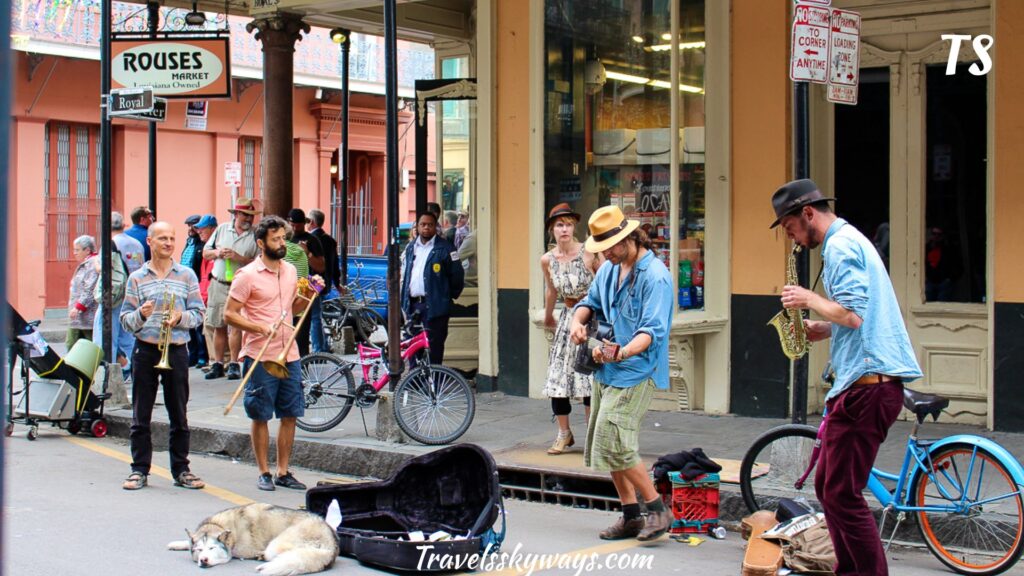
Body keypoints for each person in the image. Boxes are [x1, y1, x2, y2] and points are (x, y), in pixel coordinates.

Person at [770, 178, 922, 576]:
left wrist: (808, 299)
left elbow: (853, 314)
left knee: (841, 493)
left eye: (790, 228)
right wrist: (824, 328)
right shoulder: (848, 240)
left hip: (866, 388)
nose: (792, 238)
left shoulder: (839, 247)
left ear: (807, 213)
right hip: (864, 384)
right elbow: (856, 319)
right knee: (830, 488)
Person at [569, 205, 673, 542]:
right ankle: (631, 516)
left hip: (636, 370)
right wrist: (576, 322)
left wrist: (622, 352)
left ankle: (657, 510)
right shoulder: (609, 270)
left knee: (616, 441)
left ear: (628, 238)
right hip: (606, 368)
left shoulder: (655, 276)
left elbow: (652, 332)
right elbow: (589, 302)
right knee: (606, 443)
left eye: (609, 247)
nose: (606, 255)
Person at [224, 215, 309, 492]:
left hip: (289, 353)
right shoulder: (247, 275)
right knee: (260, 414)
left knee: (290, 414)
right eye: (275, 239)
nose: (282, 243)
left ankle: (283, 471)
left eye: (283, 238)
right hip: (260, 354)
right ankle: (263, 471)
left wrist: (310, 294)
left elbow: (294, 309)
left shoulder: (291, 271)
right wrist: (260, 327)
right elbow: (229, 314)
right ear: (261, 243)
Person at [119, 221, 206, 491]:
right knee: (140, 414)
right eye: (162, 238)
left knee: (179, 414)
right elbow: (125, 320)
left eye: (171, 238)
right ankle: (139, 470)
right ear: (150, 242)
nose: (168, 243)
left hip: (176, 349)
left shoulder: (187, 275)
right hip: (145, 349)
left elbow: (199, 314)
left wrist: (180, 318)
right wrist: (140, 315)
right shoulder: (137, 278)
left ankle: (181, 469)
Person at [541, 203, 601, 455]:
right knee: (558, 379)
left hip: (590, 320)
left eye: (568, 224)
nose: (564, 229)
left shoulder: (589, 252)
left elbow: (605, 283)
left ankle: (593, 435)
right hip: (566, 320)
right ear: (552, 229)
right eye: (559, 225)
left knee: (589, 378)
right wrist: (548, 316)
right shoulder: (547, 259)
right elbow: (551, 291)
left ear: (574, 227)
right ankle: (564, 433)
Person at [203, 198, 260, 380]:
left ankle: (234, 363)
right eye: (245, 215)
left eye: (251, 215)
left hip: (241, 286)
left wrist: (238, 258)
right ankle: (218, 364)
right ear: (236, 214)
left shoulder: (255, 235)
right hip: (219, 283)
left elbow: (258, 262)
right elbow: (206, 252)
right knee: (218, 325)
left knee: (236, 326)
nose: (248, 219)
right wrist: (217, 253)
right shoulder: (221, 229)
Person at [400, 211, 464, 366]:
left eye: (430, 224)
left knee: (434, 347)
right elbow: (407, 273)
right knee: (412, 345)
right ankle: (415, 378)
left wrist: (445, 297)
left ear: (436, 227)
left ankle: (434, 379)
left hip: (435, 306)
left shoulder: (446, 248)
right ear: (417, 227)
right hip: (413, 306)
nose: (426, 228)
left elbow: (457, 277)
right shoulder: (411, 247)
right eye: (423, 224)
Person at [92, 211, 144, 376]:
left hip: (114, 295)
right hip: (133, 293)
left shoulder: (110, 244)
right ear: (123, 225)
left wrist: (95, 263)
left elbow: (103, 269)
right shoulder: (137, 244)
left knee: (106, 335)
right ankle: (132, 369)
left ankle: (110, 371)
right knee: (128, 335)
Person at [288, 208, 324, 354]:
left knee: (302, 326)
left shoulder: (312, 240)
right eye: (292, 224)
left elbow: (321, 267)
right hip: (285, 284)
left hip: (304, 283)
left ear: (304, 223)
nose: (294, 228)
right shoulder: (282, 238)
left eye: (297, 225)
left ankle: (302, 358)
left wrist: (307, 252)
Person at [307, 209, 339, 353]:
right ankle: (323, 345)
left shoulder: (310, 240)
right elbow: (335, 264)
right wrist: (337, 283)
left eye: (308, 221)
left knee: (314, 317)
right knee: (318, 315)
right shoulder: (330, 240)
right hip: (325, 282)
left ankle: (318, 348)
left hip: (312, 282)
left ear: (312, 222)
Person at [181, 215, 207, 367]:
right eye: (189, 225)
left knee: (199, 324)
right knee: (189, 324)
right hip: (185, 286)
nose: (191, 229)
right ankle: (193, 353)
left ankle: (202, 355)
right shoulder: (189, 242)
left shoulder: (202, 245)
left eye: (194, 226)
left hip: (197, 285)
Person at [194, 215, 220, 367]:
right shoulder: (205, 248)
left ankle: (219, 362)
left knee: (215, 327)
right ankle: (213, 361)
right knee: (208, 328)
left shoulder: (216, 248)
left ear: (212, 229)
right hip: (205, 294)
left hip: (214, 293)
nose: (199, 231)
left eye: (202, 228)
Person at [283, 225, 311, 357]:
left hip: (284, 301)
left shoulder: (279, 253)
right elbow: (304, 276)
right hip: (301, 298)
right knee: (300, 341)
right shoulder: (302, 252)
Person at [67, 235, 99, 349]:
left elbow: (89, 289)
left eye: (77, 250)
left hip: (85, 314)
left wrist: (78, 307)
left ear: (87, 250)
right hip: (79, 315)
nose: (75, 253)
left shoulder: (92, 264)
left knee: (80, 345)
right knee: (74, 344)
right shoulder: (86, 264)